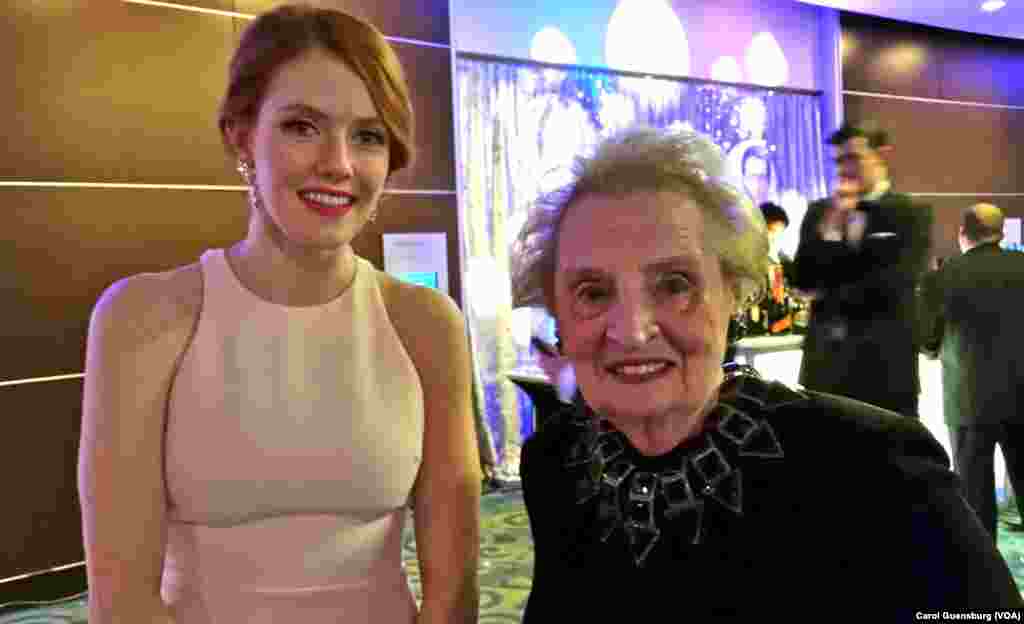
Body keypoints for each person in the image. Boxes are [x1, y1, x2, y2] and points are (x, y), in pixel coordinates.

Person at [508, 124, 1020, 619]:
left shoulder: (872, 466)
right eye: (593, 292)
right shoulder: (556, 465)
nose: (633, 330)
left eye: (674, 284)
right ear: (557, 311)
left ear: (735, 288)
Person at [77, 5, 481, 623]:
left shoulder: (426, 325)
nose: (339, 164)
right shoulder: (142, 320)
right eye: (302, 126)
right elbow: (123, 602)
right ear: (242, 135)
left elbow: (453, 597)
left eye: (368, 136)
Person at [791, 121, 933, 418]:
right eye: (839, 160)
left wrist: (829, 289)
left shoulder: (910, 213)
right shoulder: (820, 213)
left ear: (881, 155)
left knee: (892, 463)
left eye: (853, 158)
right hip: (823, 374)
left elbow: (894, 284)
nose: (844, 168)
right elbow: (802, 280)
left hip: (886, 374)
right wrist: (831, 230)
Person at [919, 203, 1024, 541]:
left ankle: (987, 584)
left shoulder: (943, 275)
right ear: (1001, 233)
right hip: (1022, 397)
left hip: (968, 400)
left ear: (963, 233)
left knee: (975, 499)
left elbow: (926, 339)